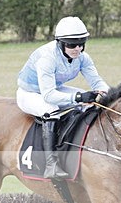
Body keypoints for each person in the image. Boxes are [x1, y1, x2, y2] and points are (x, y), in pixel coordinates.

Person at [16, 16, 110, 179]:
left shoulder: (83, 57)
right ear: (60, 43)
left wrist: (109, 95)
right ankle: (51, 164)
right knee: (51, 109)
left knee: (87, 103)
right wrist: (79, 97)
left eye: (81, 44)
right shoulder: (47, 58)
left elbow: (96, 82)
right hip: (30, 93)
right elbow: (49, 95)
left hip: (53, 88)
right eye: (72, 44)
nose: (77, 49)